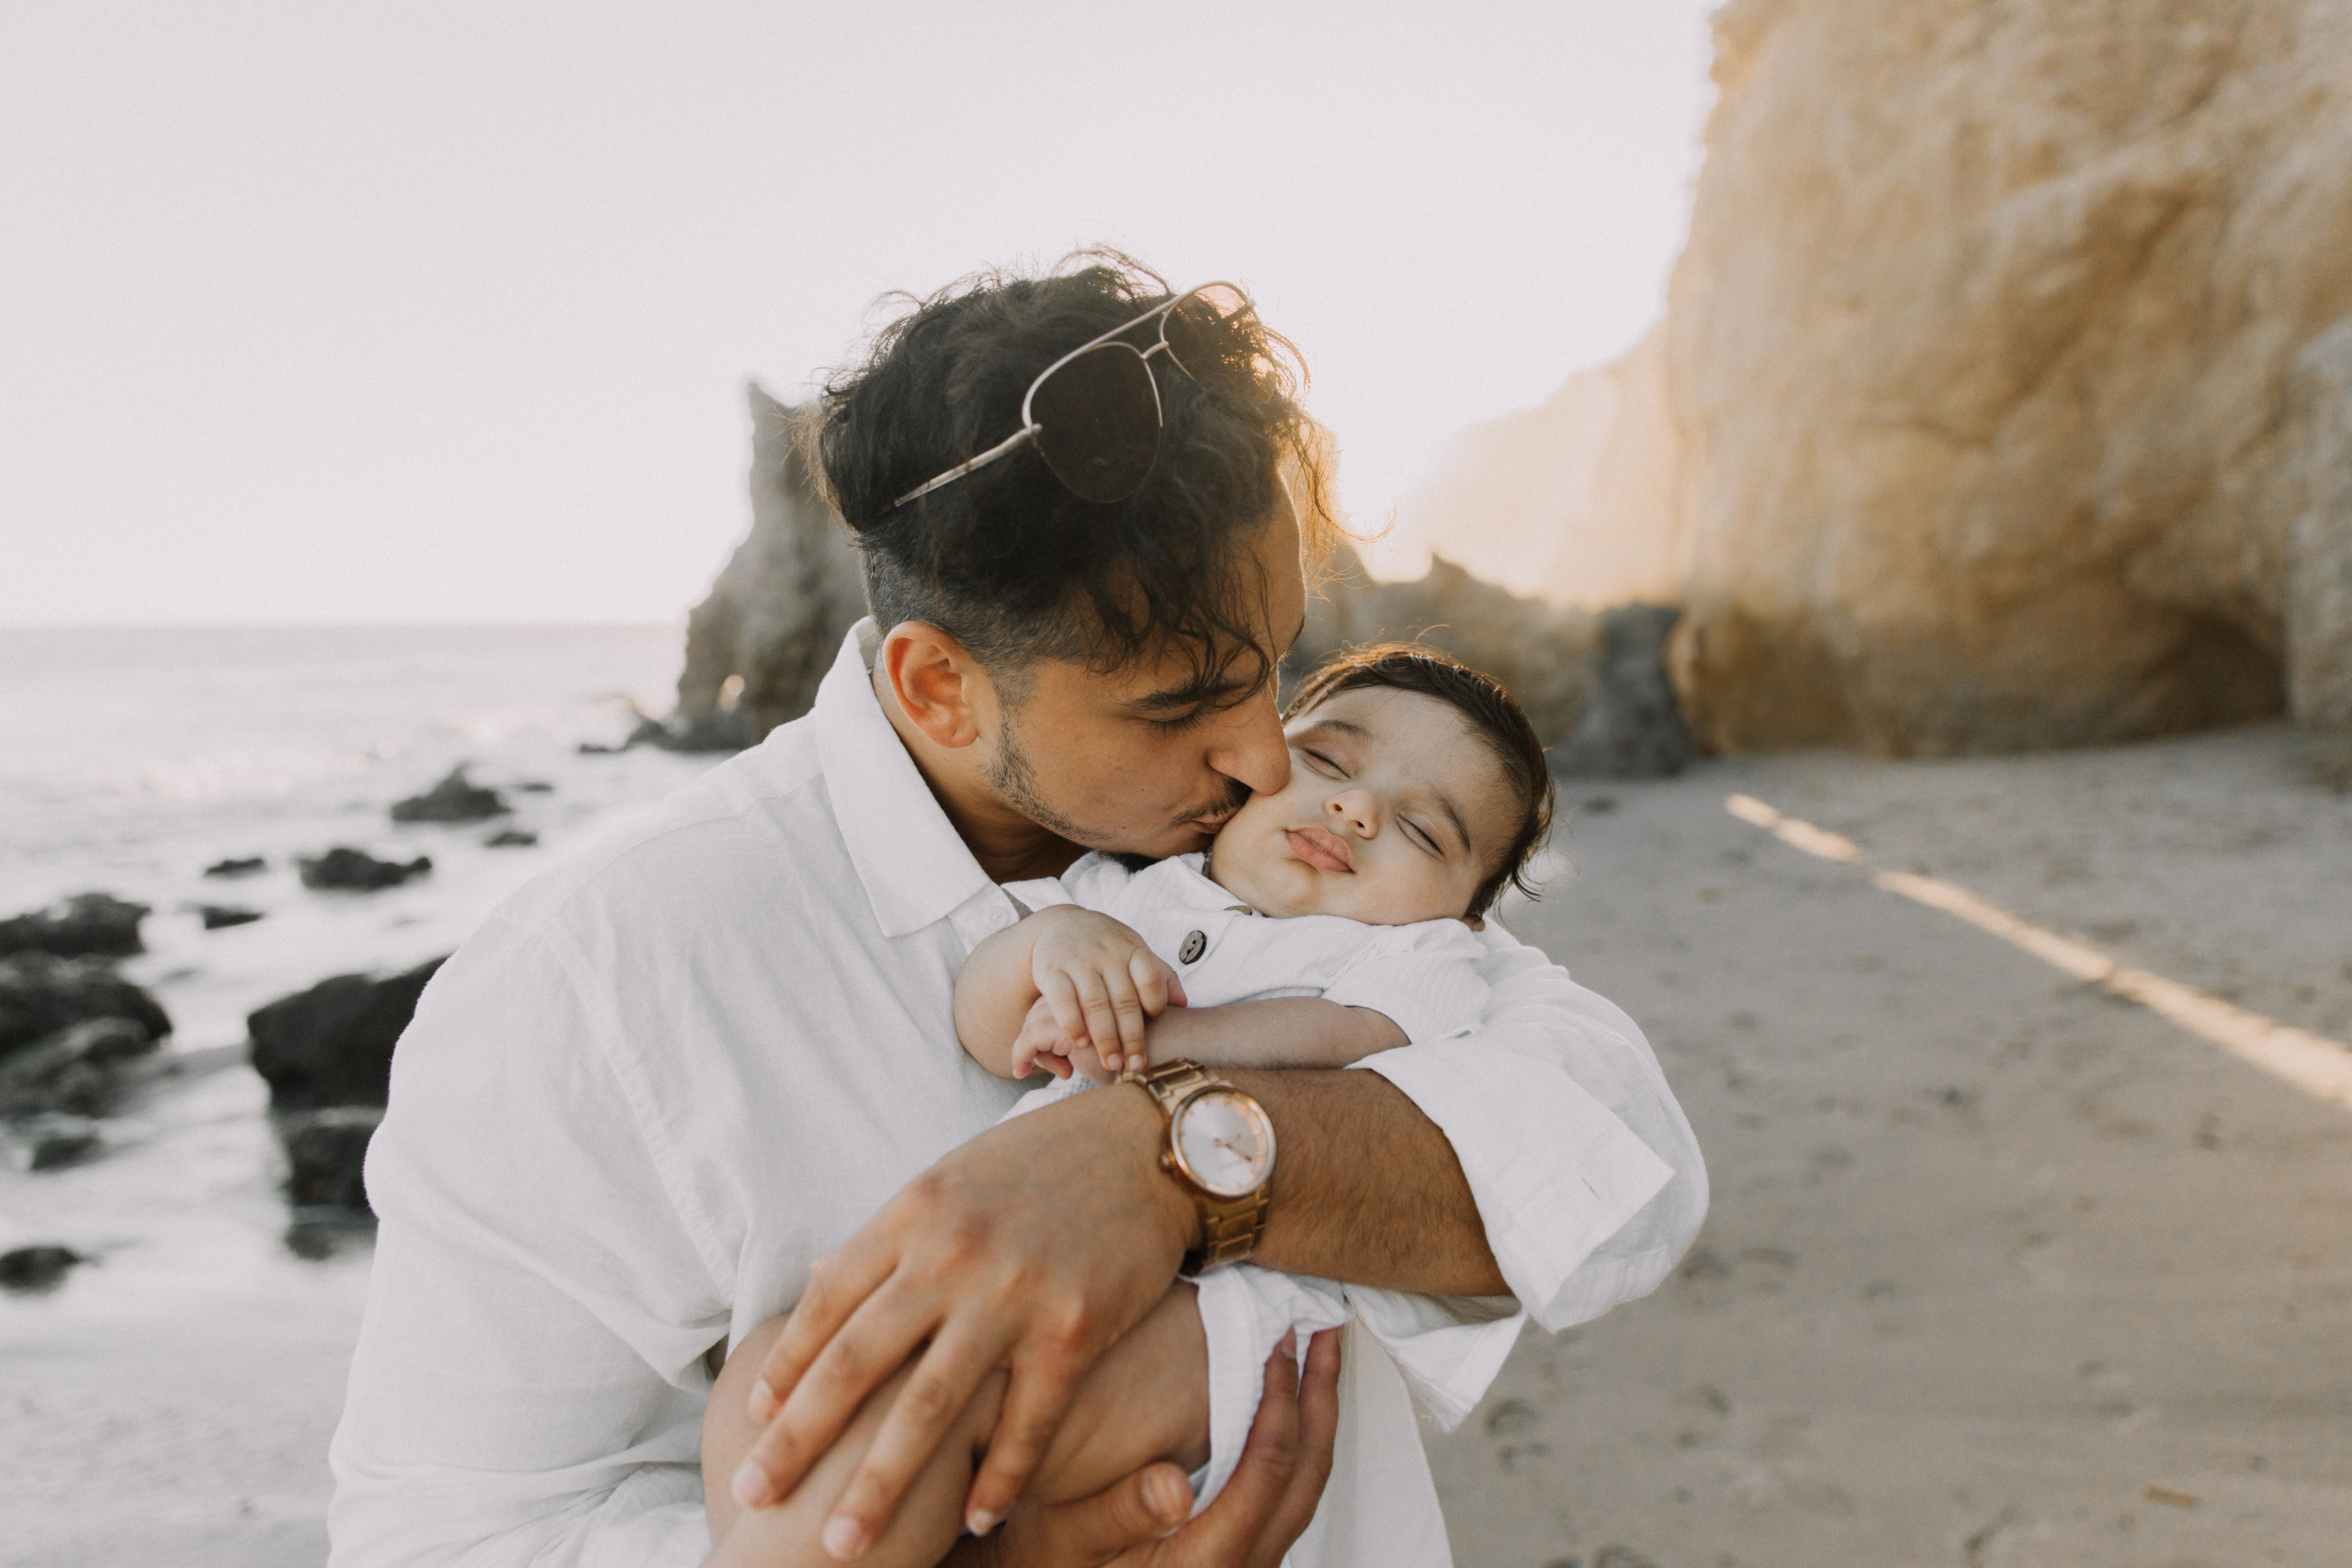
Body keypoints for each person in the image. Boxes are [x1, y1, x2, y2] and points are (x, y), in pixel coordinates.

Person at [328, 254, 1706, 1568]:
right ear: (939, 688)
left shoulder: (1278, 870)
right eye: (1182, 702)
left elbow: (1628, 1165)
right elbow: (442, 1534)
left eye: (1274, 671)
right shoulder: (601, 982)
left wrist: (1165, 1160)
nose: (1270, 757)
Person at [703, 645, 1561, 1567]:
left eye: (1425, 833)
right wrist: (1050, 945)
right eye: (1327, 762)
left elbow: (1354, 1037)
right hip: (1034, 1253)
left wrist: (1161, 1050)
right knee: (761, 1375)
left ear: (1464, 915)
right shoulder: (1128, 891)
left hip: (1206, 1311)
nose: (1356, 809)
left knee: (916, 1426)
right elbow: (990, 1028)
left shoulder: (1414, 960)